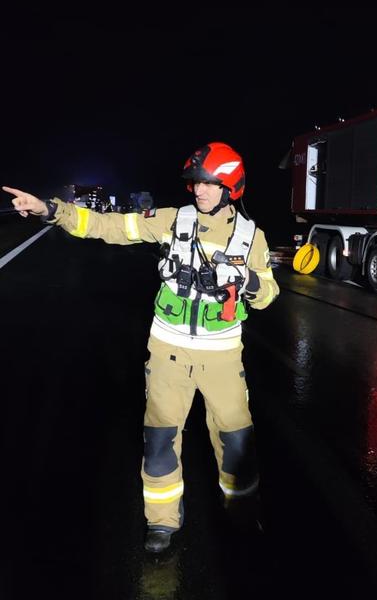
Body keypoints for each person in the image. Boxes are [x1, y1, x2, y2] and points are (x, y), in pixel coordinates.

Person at [3, 142, 279, 553]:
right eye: (195, 183)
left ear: (231, 186)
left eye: (208, 183)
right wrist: (51, 209)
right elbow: (109, 227)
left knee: (236, 440)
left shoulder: (251, 237)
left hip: (222, 356)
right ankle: (162, 520)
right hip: (168, 349)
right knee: (160, 437)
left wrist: (247, 283)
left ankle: (242, 514)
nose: (198, 191)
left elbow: (269, 293)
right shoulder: (172, 220)